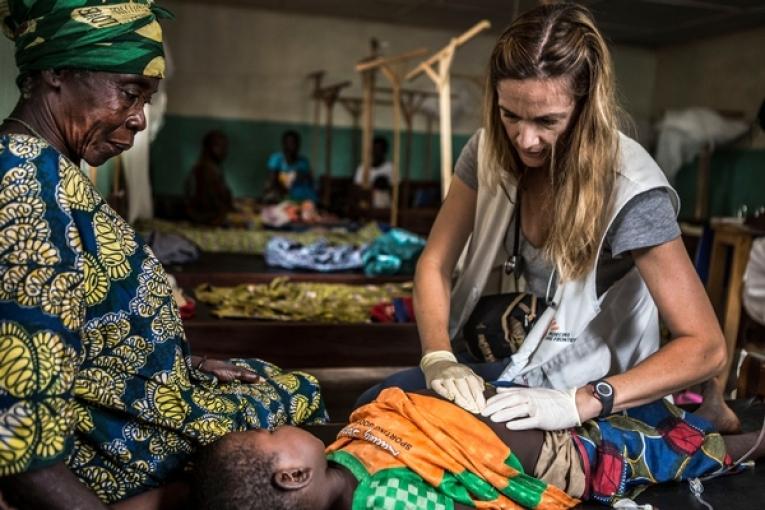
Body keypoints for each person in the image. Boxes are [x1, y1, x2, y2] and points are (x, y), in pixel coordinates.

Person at [0, 2, 326, 509]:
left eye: (145, 99)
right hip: (113, 449)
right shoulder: (26, 185)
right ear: (56, 74)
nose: (139, 119)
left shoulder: (46, 169)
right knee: (298, 396)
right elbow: (21, 439)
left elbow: (63, 328)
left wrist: (177, 360)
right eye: (130, 93)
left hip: (129, 400)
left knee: (275, 384)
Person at [359, 2, 732, 434]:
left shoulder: (630, 190)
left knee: (457, 443)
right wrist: (438, 357)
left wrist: (583, 401)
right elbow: (435, 263)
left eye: (547, 121)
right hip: (513, 360)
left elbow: (706, 348)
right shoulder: (485, 152)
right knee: (376, 405)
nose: (526, 139)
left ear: (586, 107)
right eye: (509, 115)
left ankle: (707, 417)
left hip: (588, 382)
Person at [191, 387, 763, 510]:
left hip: (547, 423)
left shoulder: (343, 456)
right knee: (653, 455)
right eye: (269, 437)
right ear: (292, 477)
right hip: (572, 465)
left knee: (635, 419)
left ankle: (705, 413)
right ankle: (743, 439)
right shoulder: (387, 500)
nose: (277, 426)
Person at [185, 129, 234, 225]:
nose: (224, 151)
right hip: (207, 218)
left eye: (225, 147)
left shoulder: (213, 168)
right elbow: (212, 203)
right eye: (220, 146)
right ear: (208, 147)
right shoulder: (206, 170)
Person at [264, 130, 317, 205]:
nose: (293, 146)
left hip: (299, 194)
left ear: (299, 144)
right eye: (290, 143)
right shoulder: (276, 159)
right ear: (284, 144)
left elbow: (309, 180)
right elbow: (272, 180)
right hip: (281, 191)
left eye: (295, 143)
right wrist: (285, 191)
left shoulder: (303, 162)